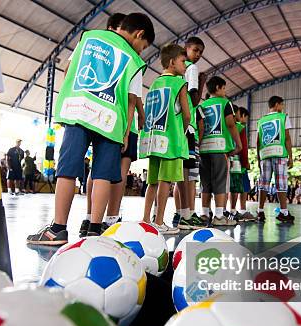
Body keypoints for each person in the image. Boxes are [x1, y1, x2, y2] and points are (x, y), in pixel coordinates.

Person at [27, 13, 153, 245]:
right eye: (143, 46)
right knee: (103, 175)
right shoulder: (135, 61)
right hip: (110, 122)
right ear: (139, 34)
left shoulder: (89, 38)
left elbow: (68, 71)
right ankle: (95, 229)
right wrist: (126, 132)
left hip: (79, 111)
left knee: (67, 171)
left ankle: (58, 229)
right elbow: (131, 99)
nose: (141, 50)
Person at [79, 12, 146, 236]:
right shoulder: (130, 58)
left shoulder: (99, 49)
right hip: (120, 124)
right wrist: (140, 115)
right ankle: (110, 218)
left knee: (99, 171)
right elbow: (133, 97)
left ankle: (91, 218)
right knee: (114, 172)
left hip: (105, 119)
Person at [140, 43, 190, 234]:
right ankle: (159, 221)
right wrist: (182, 132)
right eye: (182, 61)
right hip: (171, 140)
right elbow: (186, 115)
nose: (185, 66)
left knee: (152, 181)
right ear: (172, 62)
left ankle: (145, 219)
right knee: (166, 181)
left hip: (154, 140)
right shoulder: (179, 84)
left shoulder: (154, 84)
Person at [172, 36, 207, 229]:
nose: (198, 55)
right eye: (196, 50)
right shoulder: (191, 69)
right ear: (186, 48)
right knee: (188, 175)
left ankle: (180, 214)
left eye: (201, 52)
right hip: (188, 128)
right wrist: (202, 82)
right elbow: (194, 101)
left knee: (179, 175)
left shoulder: (176, 72)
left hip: (176, 128)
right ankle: (187, 215)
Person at [199, 76, 242, 226]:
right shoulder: (225, 103)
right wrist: (238, 144)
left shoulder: (203, 105)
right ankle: (218, 216)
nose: (225, 91)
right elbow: (231, 124)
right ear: (217, 87)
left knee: (205, 183)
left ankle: (204, 214)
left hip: (204, 149)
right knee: (220, 182)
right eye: (224, 88)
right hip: (219, 147)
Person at [256, 96, 294, 222]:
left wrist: (258, 158)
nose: (282, 108)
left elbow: (258, 142)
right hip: (279, 153)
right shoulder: (283, 117)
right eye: (282, 105)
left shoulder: (261, 121)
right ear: (277, 105)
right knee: (281, 183)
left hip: (265, 155)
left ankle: (260, 212)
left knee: (263, 183)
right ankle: (283, 212)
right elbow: (287, 138)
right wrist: (290, 156)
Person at [229, 106, 256, 222]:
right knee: (240, 187)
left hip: (228, 160)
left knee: (230, 188)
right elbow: (243, 148)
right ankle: (240, 211)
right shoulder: (240, 127)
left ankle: (229, 211)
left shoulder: (227, 126)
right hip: (238, 163)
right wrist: (246, 162)